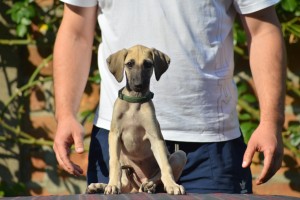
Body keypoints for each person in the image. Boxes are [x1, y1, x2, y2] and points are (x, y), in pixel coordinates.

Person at [53, 0, 286, 194]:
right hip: (122, 145)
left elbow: (262, 30)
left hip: (209, 146)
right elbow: (76, 33)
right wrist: (64, 115)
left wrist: (271, 122)